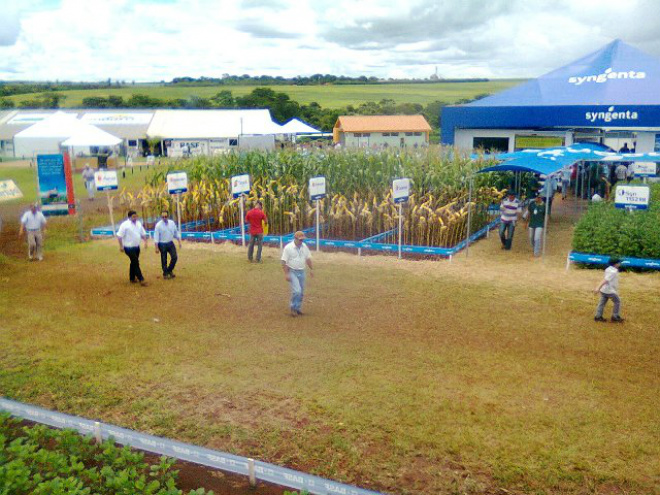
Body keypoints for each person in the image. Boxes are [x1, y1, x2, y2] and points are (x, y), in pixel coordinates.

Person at [281, 230, 313, 317]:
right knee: (297, 291)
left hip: (302, 271)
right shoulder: (288, 248)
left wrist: (311, 269)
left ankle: (298, 308)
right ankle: (293, 308)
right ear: (295, 239)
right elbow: (283, 261)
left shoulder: (304, 247)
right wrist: (286, 274)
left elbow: (308, 258)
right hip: (292, 271)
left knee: (301, 292)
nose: (301, 241)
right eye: (300, 240)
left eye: (303, 240)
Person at [117, 210, 148, 286]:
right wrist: (121, 246)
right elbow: (119, 236)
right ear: (129, 217)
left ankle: (132, 278)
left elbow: (143, 233)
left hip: (136, 247)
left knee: (133, 262)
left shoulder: (138, 224)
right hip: (128, 247)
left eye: (136, 216)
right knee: (135, 262)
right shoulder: (125, 225)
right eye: (133, 217)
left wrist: (145, 242)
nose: (135, 218)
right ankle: (141, 279)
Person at [594, 259, 624, 323]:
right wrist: (598, 287)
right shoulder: (613, 272)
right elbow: (605, 280)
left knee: (602, 303)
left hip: (604, 290)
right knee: (617, 301)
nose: (620, 264)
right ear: (615, 264)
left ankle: (598, 316)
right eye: (619, 262)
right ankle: (615, 317)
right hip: (610, 290)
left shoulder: (608, 268)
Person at [154, 210, 181, 279]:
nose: (164, 218)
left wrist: (179, 241)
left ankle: (169, 270)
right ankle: (165, 273)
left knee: (174, 257)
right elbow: (156, 237)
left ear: (168, 216)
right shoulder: (158, 225)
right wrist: (156, 247)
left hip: (170, 243)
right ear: (161, 217)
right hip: (162, 244)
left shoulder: (172, 223)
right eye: (162, 217)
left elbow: (175, 232)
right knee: (164, 259)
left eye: (165, 216)